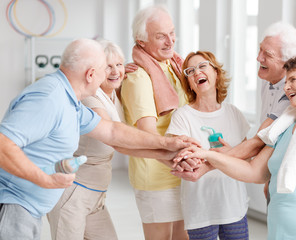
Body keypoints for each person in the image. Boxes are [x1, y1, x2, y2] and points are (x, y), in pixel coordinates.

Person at [0, 38, 197, 240]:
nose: (110, 74)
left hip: (36, 205)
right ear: (91, 74)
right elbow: (3, 144)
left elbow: (112, 131)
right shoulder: (49, 97)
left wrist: (168, 144)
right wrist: (46, 180)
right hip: (15, 203)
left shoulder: (70, 101)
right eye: (105, 69)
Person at [177, 54, 296, 240]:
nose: (286, 87)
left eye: (293, 80)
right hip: (280, 232)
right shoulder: (283, 127)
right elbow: (254, 171)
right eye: (286, 81)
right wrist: (208, 155)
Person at [172, 22, 296, 202]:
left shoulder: (290, 94)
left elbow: (257, 142)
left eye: (268, 54)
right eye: (260, 50)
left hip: (292, 176)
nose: (258, 58)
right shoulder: (267, 82)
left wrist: (208, 164)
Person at [47, 39, 126, 240]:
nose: (115, 71)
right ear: (95, 71)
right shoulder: (90, 98)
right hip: (73, 193)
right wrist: (165, 149)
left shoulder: (114, 95)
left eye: (119, 64)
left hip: (96, 195)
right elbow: (116, 136)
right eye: (108, 66)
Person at [120, 5, 188, 240]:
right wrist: (179, 161)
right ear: (141, 40)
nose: (170, 41)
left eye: (172, 32)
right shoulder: (138, 77)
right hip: (157, 176)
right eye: (160, 36)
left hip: (182, 172)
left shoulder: (176, 67)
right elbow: (147, 135)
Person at [166, 51, 250, 239]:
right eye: (190, 71)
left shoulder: (234, 113)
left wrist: (226, 154)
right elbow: (180, 160)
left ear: (216, 73)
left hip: (234, 207)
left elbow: (248, 157)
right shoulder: (182, 116)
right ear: (188, 82)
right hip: (200, 210)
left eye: (202, 66)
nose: (196, 72)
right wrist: (228, 156)